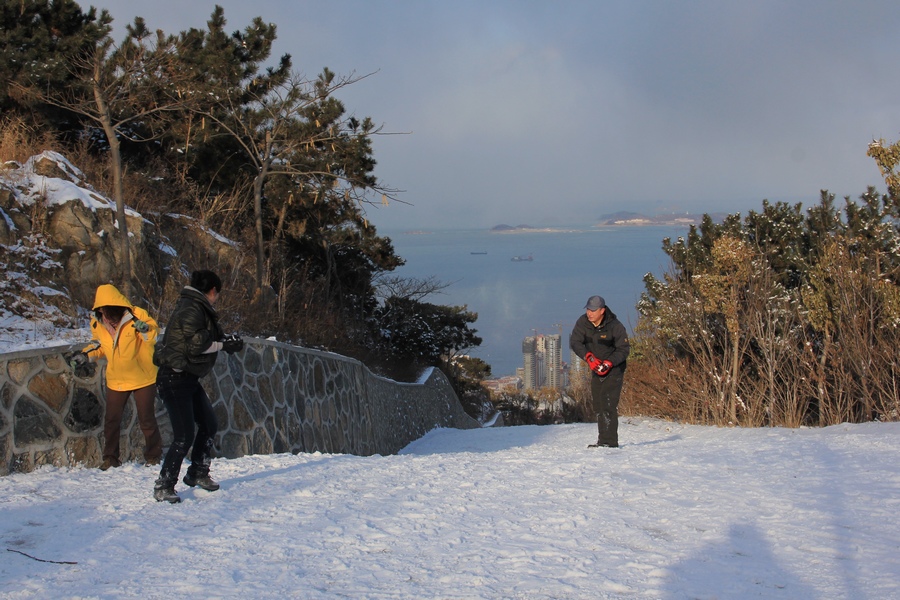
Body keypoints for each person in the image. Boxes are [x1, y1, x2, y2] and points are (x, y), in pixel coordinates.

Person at [151, 270, 244, 503]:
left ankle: (198, 472)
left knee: (209, 423)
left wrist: (226, 341)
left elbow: (204, 337)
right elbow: (196, 346)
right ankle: (164, 485)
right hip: (174, 377)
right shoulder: (192, 308)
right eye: (217, 294)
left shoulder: (196, 306)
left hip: (186, 377)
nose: (217, 298)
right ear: (212, 291)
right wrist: (223, 346)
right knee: (183, 436)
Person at [68, 284, 162, 470]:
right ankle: (110, 458)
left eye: (111, 311)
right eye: (105, 311)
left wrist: (144, 329)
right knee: (111, 420)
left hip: (142, 376)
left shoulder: (136, 315)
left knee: (146, 419)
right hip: (117, 378)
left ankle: (154, 456)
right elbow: (100, 345)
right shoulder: (97, 322)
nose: (108, 316)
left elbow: (153, 334)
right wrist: (85, 356)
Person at [569, 295, 630, 448]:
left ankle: (609, 442)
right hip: (596, 368)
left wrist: (609, 363)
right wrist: (588, 357)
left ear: (602, 310)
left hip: (614, 369)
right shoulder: (583, 322)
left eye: (593, 310)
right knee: (598, 404)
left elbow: (624, 349)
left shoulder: (615, 326)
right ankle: (602, 440)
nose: (589, 313)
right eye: (588, 309)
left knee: (608, 403)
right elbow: (575, 342)